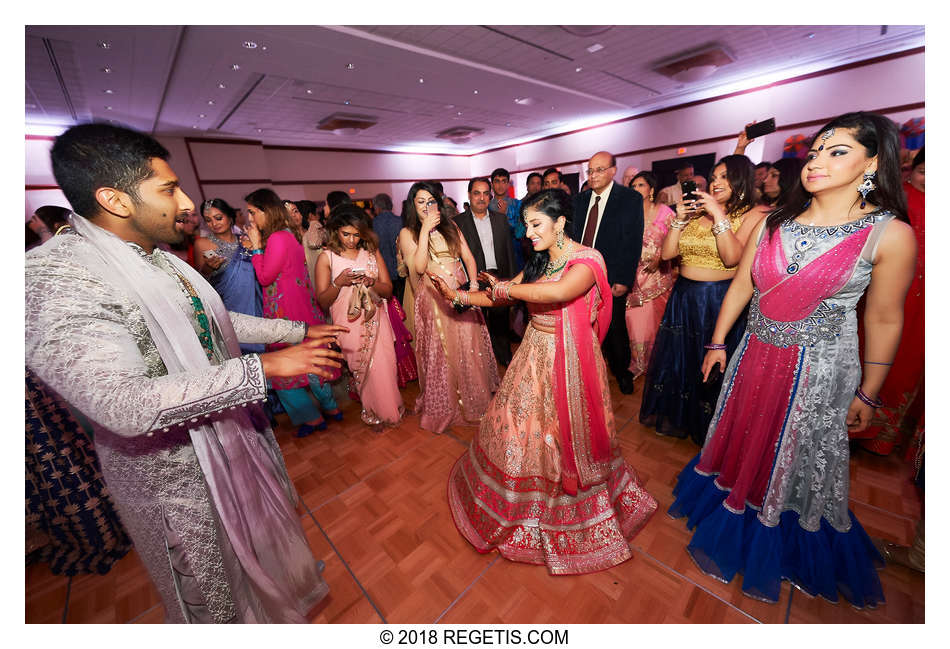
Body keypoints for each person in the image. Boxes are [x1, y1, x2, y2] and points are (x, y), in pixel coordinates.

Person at [27, 123, 346, 622]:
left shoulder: (156, 259)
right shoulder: (54, 276)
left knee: (260, 567)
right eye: (168, 189)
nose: (185, 203)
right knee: (215, 600)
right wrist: (258, 369)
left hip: (231, 444)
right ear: (116, 198)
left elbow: (212, 317)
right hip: (175, 483)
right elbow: (122, 404)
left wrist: (294, 331)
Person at [668, 111, 917, 608]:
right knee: (743, 435)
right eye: (816, 149)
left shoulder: (887, 235)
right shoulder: (775, 221)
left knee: (796, 451)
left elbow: (885, 320)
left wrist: (869, 391)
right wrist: (718, 343)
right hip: (754, 353)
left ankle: (783, 529)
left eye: (837, 151)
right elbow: (743, 284)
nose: (817, 160)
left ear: (873, 161)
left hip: (820, 369)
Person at [433, 189, 657, 574]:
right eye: (526, 225)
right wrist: (462, 296)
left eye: (536, 224)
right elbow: (508, 297)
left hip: (570, 357)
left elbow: (558, 292)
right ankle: (518, 505)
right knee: (519, 427)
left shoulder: (587, 259)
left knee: (565, 433)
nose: (529, 233)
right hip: (534, 348)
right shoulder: (538, 260)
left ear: (561, 222)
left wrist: (504, 287)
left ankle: (571, 509)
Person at [639, 155, 768, 444]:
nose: (716, 182)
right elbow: (668, 255)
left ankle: (708, 425)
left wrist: (719, 215)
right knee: (680, 360)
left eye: (724, 177)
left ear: (741, 180)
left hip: (718, 299)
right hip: (683, 296)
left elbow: (733, 257)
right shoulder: (696, 214)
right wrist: (680, 220)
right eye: (714, 178)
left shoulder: (753, 215)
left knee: (709, 363)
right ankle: (679, 417)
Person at [396, 181, 499, 434]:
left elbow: (468, 256)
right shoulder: (407, 233)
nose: (426, 207)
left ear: (438, 203)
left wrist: (474, 286)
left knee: (469, 343)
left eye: (430, 201)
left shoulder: (451, 225)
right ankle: (448, 403)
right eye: (420, 202)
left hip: (462, 292)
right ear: (413, 205)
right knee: (443, 349)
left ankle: (474, 397)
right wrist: (424, 232)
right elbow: (419, 268)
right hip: (433, 296)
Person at [245, 188, 344, 436]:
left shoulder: (277, 238)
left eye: (252, 212)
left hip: (285, 312)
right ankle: (331, 408)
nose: (250, 219)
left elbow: (265, 277)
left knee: (284, 366)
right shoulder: (288, 234)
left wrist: (256, 248)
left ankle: (310, 419)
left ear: (266, 211)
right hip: (299, 308)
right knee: (311, 359)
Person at [855, 147, 924, 457]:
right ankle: (850, 422)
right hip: (885, 289)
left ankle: (883, 436)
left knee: (908, 362)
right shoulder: (895, 199)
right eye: (924, 171)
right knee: (870, 347)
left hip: (924, 302)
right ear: (911, 169)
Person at [315, 204, 404, 427]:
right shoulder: (327, 258)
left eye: (357, 235)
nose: (352, 240)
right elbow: (323, 300)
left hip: (377, 319)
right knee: (361, 366)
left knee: (385, 365)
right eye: (346, 234)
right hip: (348, 323)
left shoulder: (371, 254)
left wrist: (372, 282)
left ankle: (390, 411)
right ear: (336, 230)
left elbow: (388, 289)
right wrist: (339, 283)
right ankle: (373, 411)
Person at [572, 151, 644, 394]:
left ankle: (621, 371)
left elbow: (633, 241)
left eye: (599, 170)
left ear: (613, 171)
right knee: (580, 324)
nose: (593, 175)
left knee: (614, 328)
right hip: (579, 274)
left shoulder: (629, 199)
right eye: (590, 171)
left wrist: (624, 278)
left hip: (611, 276)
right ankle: (583, 370)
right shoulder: (580, 201)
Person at [454, 177, 518, 366]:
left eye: (485, 193)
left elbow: (509, 251)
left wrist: (512, 281)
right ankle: (480, 364)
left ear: (489, 196)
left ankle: (504, 357)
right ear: (469, 195)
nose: (481, 198)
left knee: (500, 322)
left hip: (498, 277)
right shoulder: (457, 222)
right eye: (476, 193)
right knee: (475, 324)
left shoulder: (500, 219)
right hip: (472, 280)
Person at [194, 198, 264, 354]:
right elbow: (199, 281)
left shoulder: (247, 240)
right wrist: (208, 268)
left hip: (256, 304)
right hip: (227, 307)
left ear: (230, 217)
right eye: (208, 220)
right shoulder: (203, 244)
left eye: (218, 218)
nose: (214, 223)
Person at [625, 172, 676, 379]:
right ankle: (638, 362)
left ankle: (657, 362)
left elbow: (677, 241)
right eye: (633, 186)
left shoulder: (665, 212)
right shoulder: (628, 214)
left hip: (658, 277)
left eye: (641, 185)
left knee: (655, 323)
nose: (637, 189)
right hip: (634, 277)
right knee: (634, 322)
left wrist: (662, 258)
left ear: (652, 189)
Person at [297, 199, 326, 284]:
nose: (319, 216)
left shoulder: (306, 232)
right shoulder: (314, 227)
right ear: (310, 215)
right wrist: (314, 222)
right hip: (315, 273)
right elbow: (314, 243)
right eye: (317, 213)